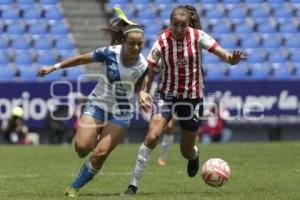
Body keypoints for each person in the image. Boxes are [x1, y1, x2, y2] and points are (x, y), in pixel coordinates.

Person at [123, 5, 246, 195]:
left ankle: (194, 155)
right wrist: (143, 91)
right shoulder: (162, 41)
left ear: (188, 24)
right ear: (170, 23)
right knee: (152, 136)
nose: (178, 29)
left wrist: (233, 59)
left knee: (185, 151)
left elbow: (226, 56)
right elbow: (149, 69)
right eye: (175, 25)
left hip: (193, 99)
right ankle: (133, 185)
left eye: (182, 25)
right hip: (167, 95)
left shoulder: (199, 36)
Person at [38, 8, 148, 198]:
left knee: (100, 153)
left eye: (140, 44)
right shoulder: (109, 53)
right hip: (97, 104)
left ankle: (73, 188)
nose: (136, 48)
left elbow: (145, 77)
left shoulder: (144, 64)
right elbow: (81, 59)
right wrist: (53, 67)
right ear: (123, 41)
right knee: (82, 148)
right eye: (132, 43)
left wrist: (143, 92)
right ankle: (94, 139)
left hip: (121, 112)